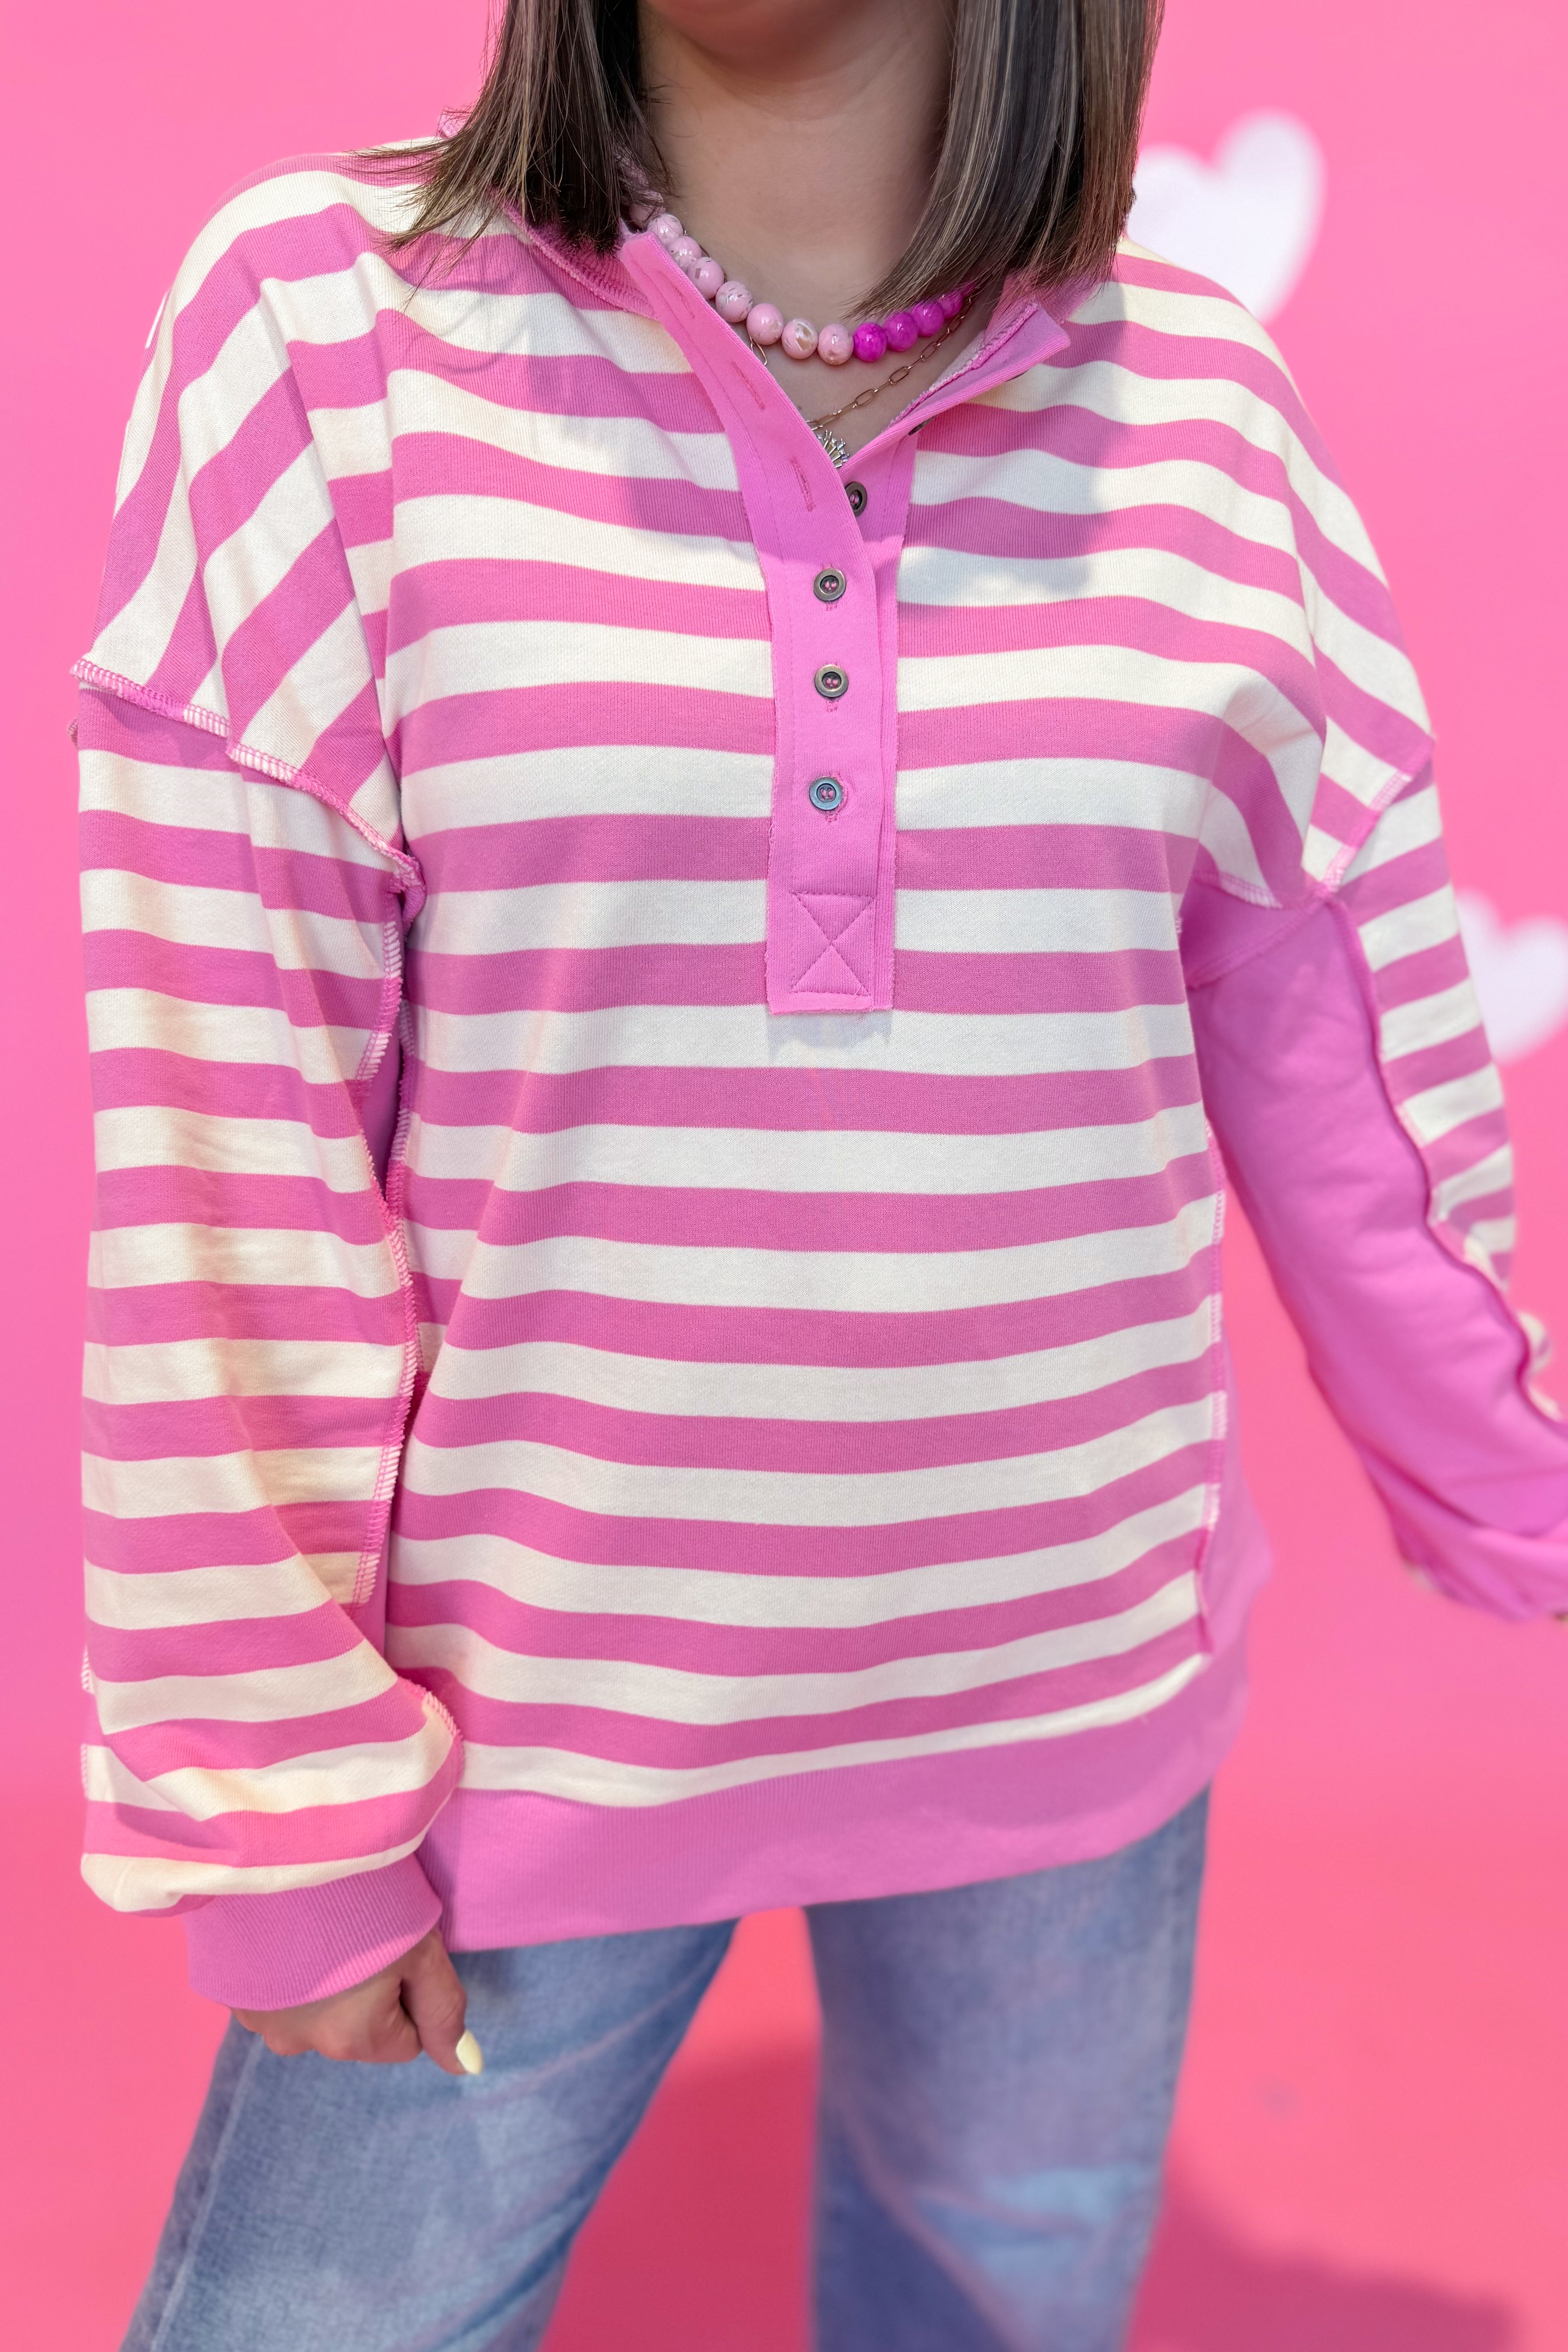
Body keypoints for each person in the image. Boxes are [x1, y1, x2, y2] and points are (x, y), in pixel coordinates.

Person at [76, 2, 1568, 2345]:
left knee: (998, 2306)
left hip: (1070, 1698)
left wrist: (1520, 1499)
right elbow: (227, 1149)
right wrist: (276, 1791)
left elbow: (1346, 1062)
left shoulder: (1206, 416)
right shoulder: (320, 333)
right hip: (520, 1731)